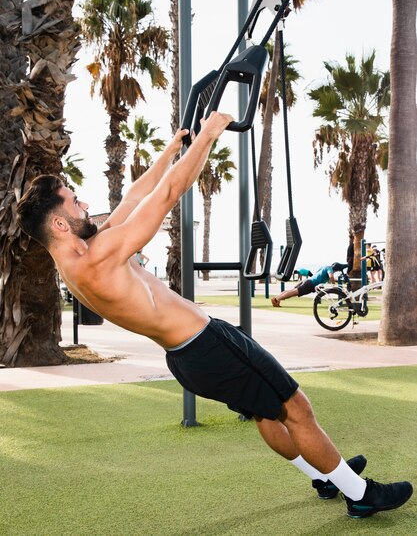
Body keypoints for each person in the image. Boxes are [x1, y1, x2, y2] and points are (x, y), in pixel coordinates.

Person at [16, 111, 412, 520]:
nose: (84, 203)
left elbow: (133, 198)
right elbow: (169, 193)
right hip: (208, 346)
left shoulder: (78, 260)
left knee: (267, 411)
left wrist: (171, 150)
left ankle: (326, 475)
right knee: (296, 408)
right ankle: (360, 493)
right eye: (74, 199)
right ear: (60, 223)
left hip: (189, 357)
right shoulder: (98, 257)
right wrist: (208, 135)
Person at [271, 263, 347, 308]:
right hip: (310, 284)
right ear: (336, 269)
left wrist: (335, 281)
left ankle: (277, 298)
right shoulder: (330, 269)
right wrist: (334, 284)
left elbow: (320, 276)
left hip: (308, 281)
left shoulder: (325, 267)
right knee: (294, 292)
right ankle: (276, 300)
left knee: (292, 291)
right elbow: (331, 277)